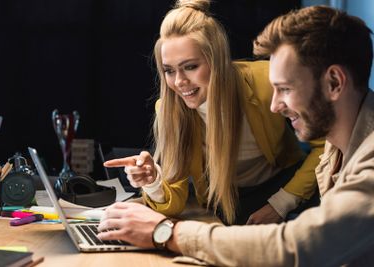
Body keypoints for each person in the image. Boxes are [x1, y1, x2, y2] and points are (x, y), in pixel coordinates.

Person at [98, 4, 374, 266]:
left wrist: (166, 233)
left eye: (286, 89)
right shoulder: (336, 149)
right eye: (169, 71)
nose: (274, 105)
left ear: (335, 83)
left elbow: (300, 245)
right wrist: (155, 183)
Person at [103, 0, 323, 226]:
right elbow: (174, 202)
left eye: (190, 67)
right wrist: (153, 181)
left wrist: (282, 203)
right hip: (224, 201)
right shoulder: (168, 108)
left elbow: (326, 145)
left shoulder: (267, 81)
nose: (179, 82)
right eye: (169, 70)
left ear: (216, 60)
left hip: (284, 184)